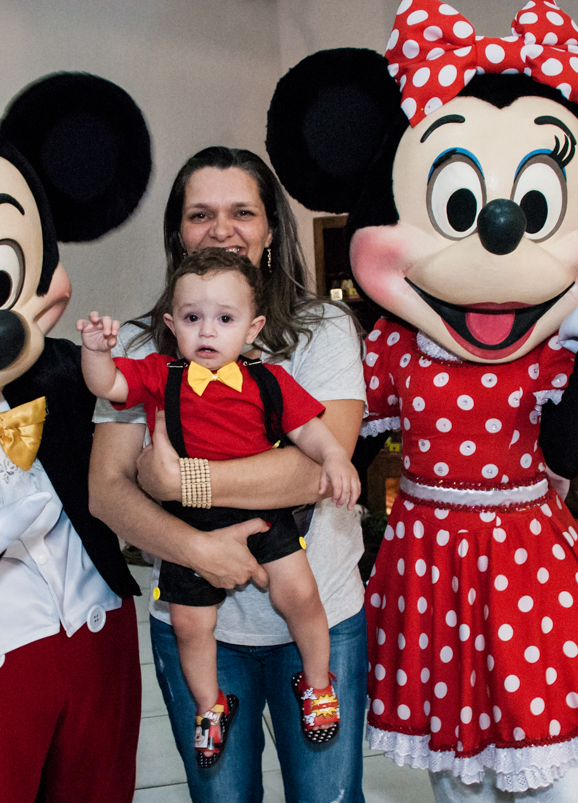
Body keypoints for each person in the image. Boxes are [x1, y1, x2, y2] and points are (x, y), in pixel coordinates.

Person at [89, 147, 368, 803]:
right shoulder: (140, 346)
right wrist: (197, 549)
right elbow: (106, 488)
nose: (223, 229)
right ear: (177, 233)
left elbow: (315, 472)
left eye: (242, 211)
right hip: (196, 618)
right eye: (201, 214)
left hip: (320, 613)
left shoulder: (323, 330)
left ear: (271, 228)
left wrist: (181, 482)